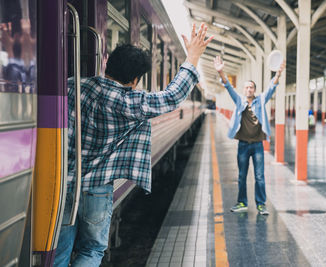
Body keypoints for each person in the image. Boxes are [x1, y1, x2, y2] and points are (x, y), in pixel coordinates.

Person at [54, 23, 213, 267]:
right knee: (92, 250)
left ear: (108, 64)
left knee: (58, 253)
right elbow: (172, 96)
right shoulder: (129, 101)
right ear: (136, 79)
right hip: (97, 188)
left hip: (63, 184)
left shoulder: (74, 86)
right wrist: (192, 57)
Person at [213, 55, 285, 215]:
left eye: (251, 87)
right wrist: (221, 72)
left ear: (254, 90)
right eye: (246, 87)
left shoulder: (261, 100)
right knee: (241, 175)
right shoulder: (239, 100)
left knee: (259, 176)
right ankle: (242, 203)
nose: (248, 90)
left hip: (258, 145)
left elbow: (272, 87)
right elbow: (228, 87)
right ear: (243, 90)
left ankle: (261, 205)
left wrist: (278, 74)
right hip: (243, 145)